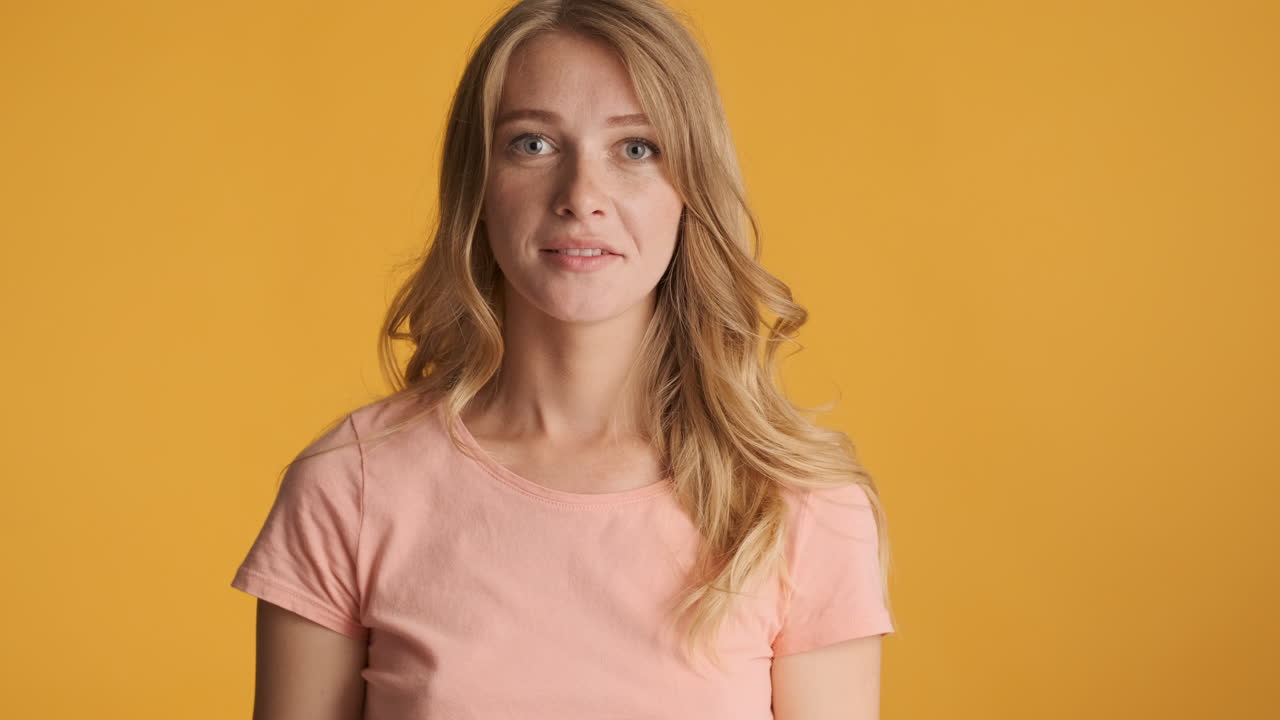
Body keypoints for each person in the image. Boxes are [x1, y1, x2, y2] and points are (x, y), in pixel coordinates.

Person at [229, 0, 896, 717]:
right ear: (477, 186)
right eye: (533, 144)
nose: (581, 198)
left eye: (637, 149)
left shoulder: (795, 506)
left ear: (691, 190)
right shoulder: (350, 486)